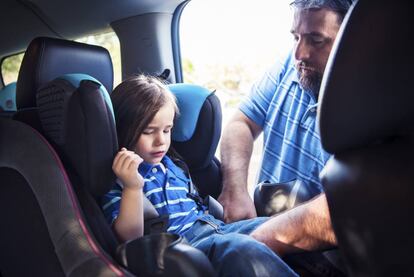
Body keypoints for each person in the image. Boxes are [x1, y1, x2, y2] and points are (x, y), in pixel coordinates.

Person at [101, 75, 299, 277]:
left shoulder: (173, 164)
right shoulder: (121, 180)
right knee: (242, 249)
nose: (161, 140)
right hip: (187, 246)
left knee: (282, 227)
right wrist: (132, 187)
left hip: (218, 228)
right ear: (124, 130)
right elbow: (130, 238)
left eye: (167, 130)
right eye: (148, 131)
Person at [219, 0, 353, 223]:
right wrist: (235, 191)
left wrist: (261, 239)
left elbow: (348, 211)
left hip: (320, 250)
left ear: (352, 41)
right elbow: (241, 123)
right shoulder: (288, 67)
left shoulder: (369, 109)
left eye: (316, 40)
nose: (299, 54)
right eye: (296, 37)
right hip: (267, 225)